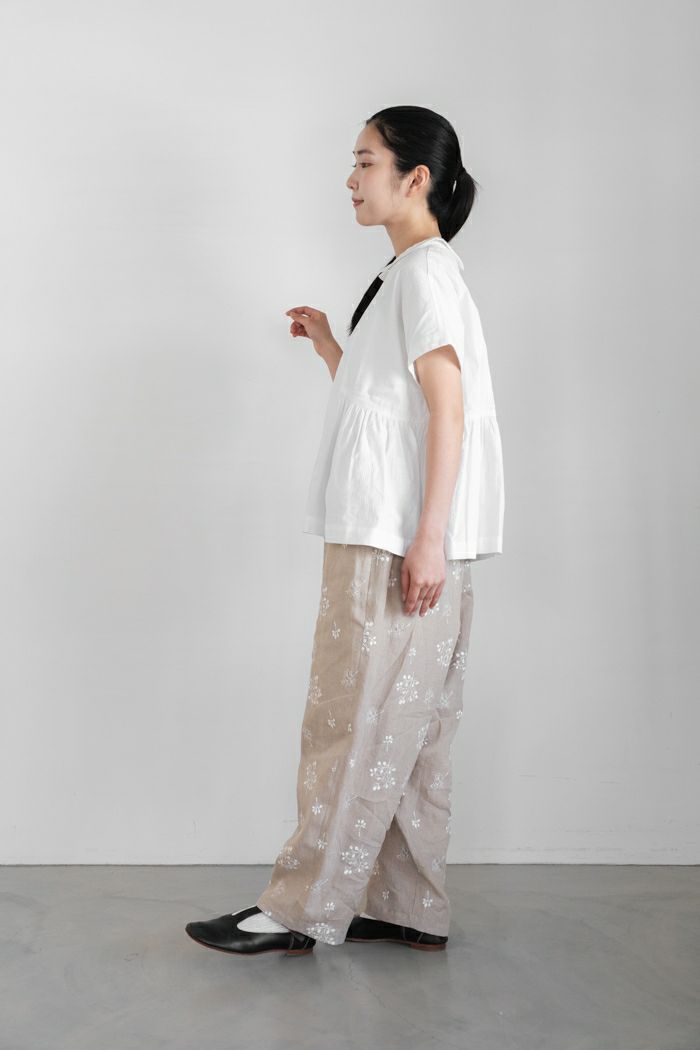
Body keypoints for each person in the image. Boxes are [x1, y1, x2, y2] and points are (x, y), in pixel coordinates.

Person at [185, 105, 505, 957]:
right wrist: (333, 346)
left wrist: (428, 539)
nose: (351, 179)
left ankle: (297, 910)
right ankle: (409, 905)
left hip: (394, 539)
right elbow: (389, 408)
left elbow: (449, 412)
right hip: (408, 535)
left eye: (365, 162)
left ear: (415, 178)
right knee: (411, 729)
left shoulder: (424, 275)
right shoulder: (410, 274)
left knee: (348, 720)